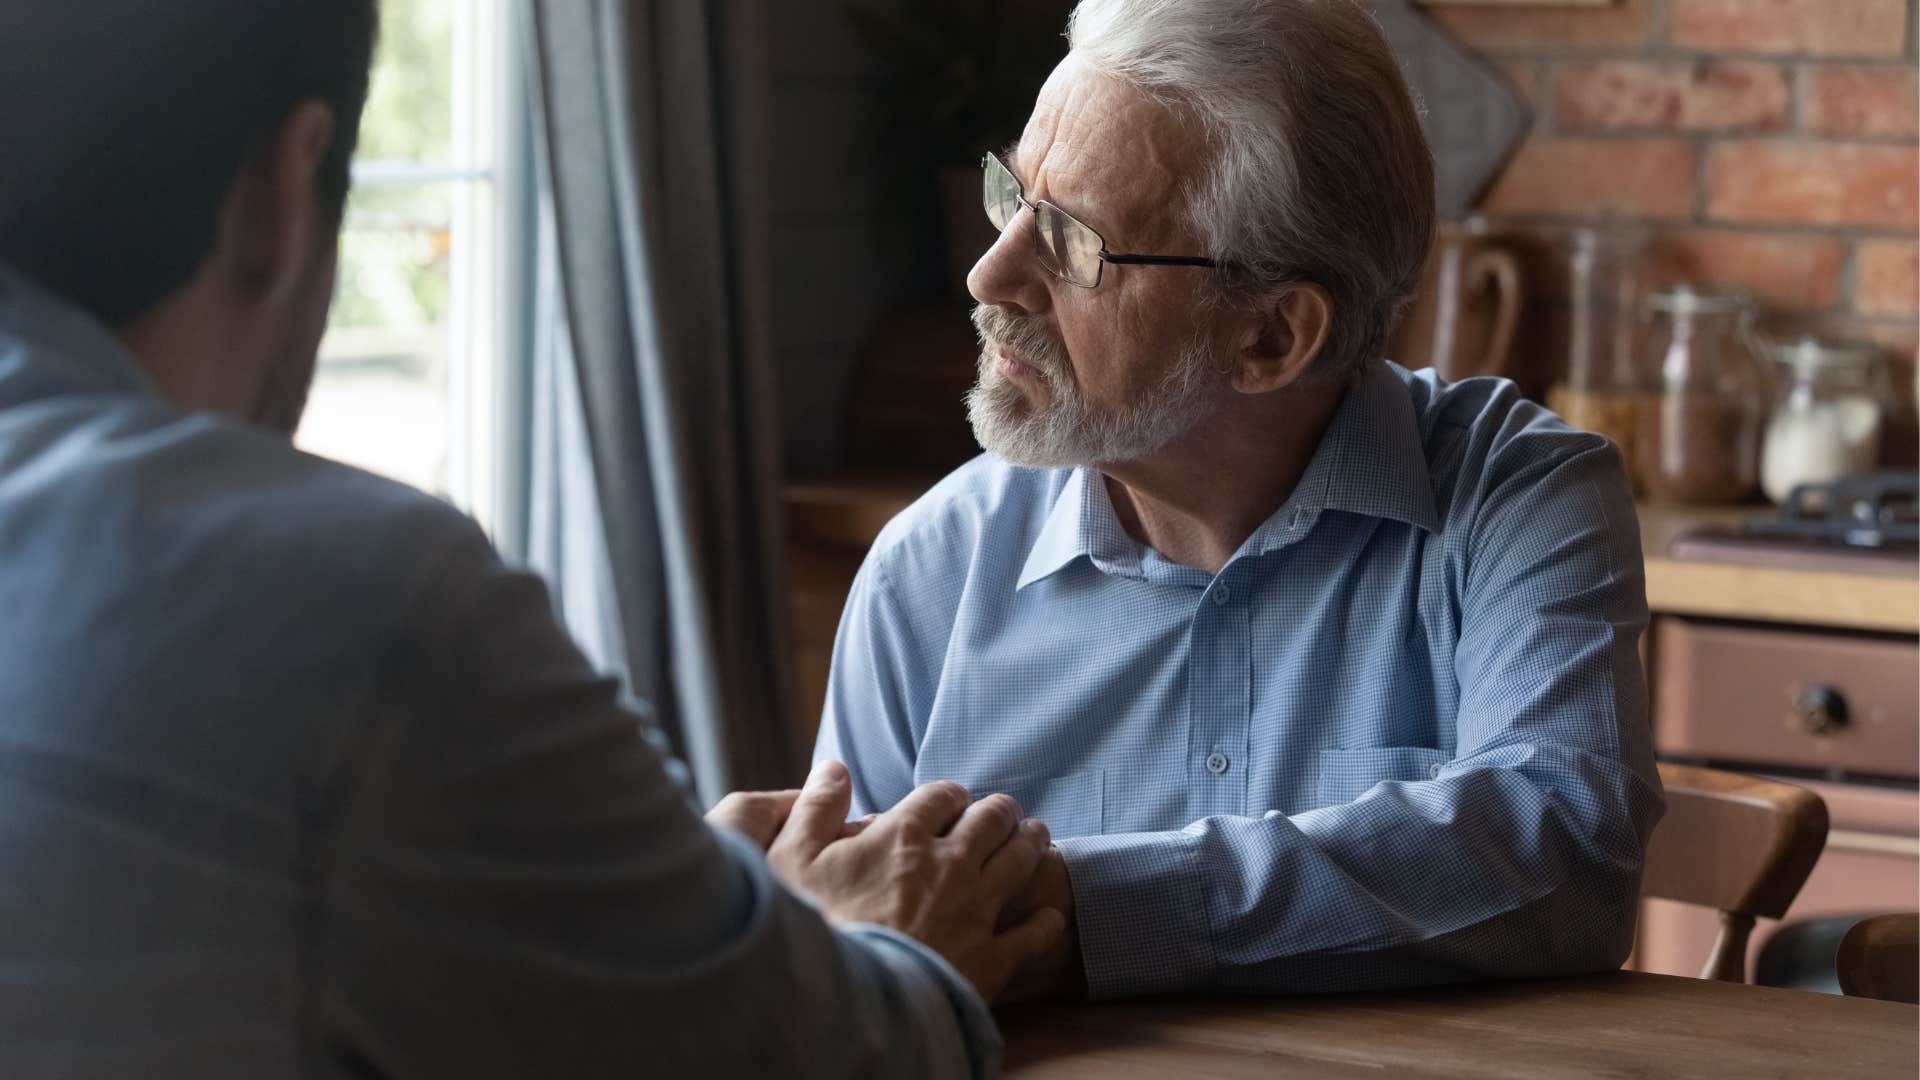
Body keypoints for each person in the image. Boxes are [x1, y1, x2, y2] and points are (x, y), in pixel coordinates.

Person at [0, 4, 1058, 1076]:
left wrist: (678, 916)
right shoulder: (359, 600)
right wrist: (881, 948)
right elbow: (832, 1055)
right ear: (283, 186)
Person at [816, 0, 1666, 1001]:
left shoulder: (1516, 499)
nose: (990, 273)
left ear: (1272, 337)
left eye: (1074, 243)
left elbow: (1566, 852)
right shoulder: (930, 572)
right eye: (1013, 196)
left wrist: (1078, 906)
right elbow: (856, 977)